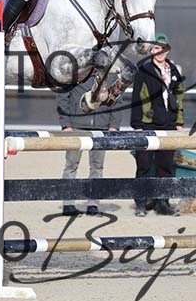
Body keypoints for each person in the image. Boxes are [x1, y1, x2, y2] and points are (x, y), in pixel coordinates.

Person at [130, 33, 184, 217]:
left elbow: (179, 96)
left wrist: (179, 121)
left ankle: (163, 202)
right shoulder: (144, 70)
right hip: (148, 124)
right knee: (144, 165)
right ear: (152, 50)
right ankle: (141, 203)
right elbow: (136, 97)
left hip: (169, 124)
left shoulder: (174, 70)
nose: (160, 52)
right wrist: (137, 124)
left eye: (164, 48)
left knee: (165, 166)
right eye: (157, 48)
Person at [57, 77, 122, 216]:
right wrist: (66, 124)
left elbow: (117, 99)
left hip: (101, 128)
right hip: (76, 127)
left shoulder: (110, 75)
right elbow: (63, 97)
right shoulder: (76, 73)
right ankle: (68, 204)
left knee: (97, 167)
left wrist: (114, 126)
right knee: (71, 166)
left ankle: (93, 204)